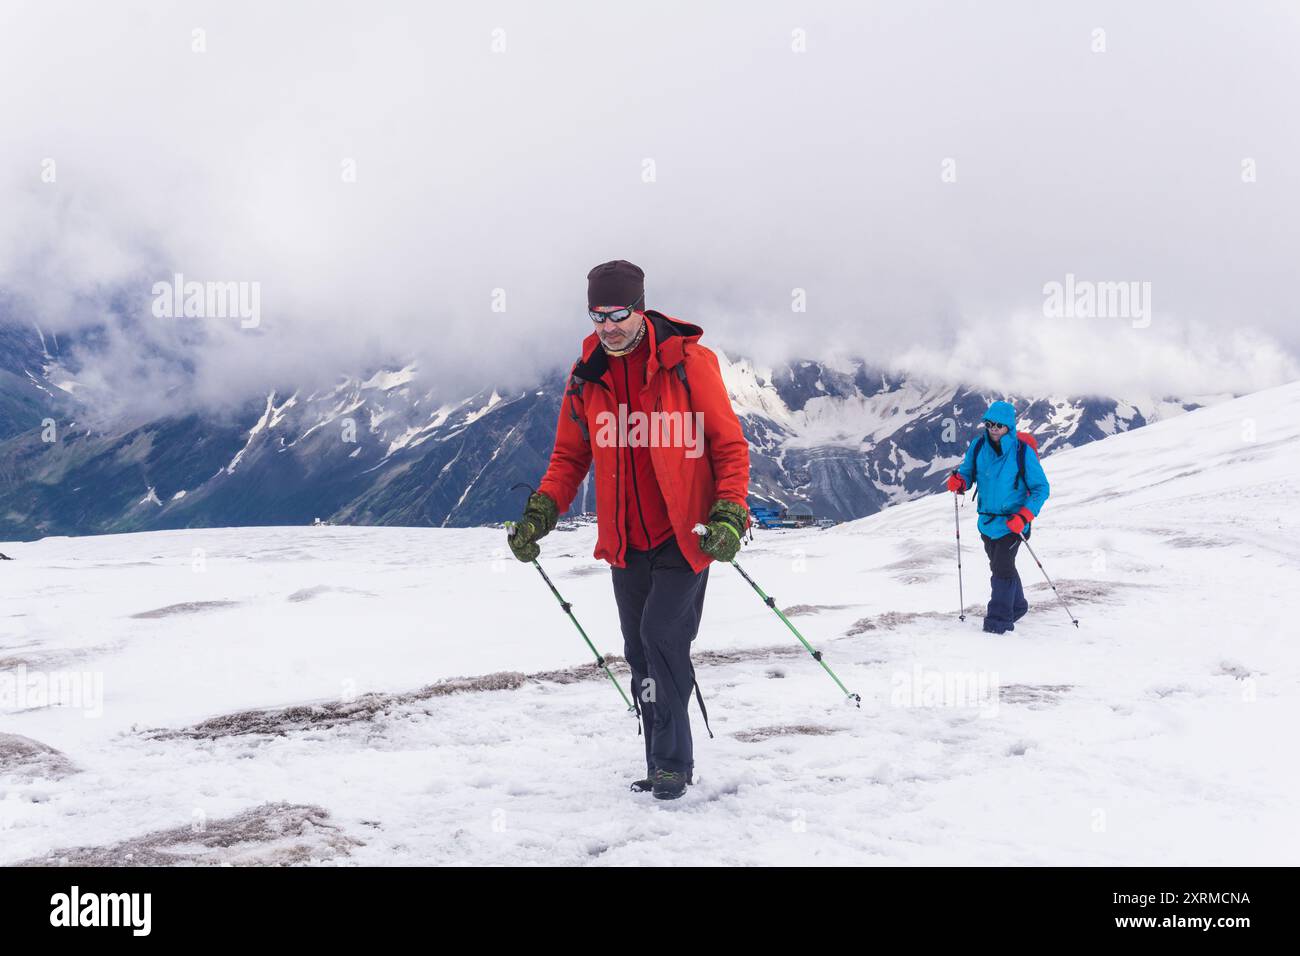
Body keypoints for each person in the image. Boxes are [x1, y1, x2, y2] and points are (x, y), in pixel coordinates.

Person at [507, 260, 751, 800]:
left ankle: (671, 764)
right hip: (624, 542)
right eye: (598, 315)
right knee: (640, 655)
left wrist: (730, 513)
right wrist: (540, 515)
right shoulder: (586, 376)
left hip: (685, 536)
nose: (608, 326)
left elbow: (728, 446)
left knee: (661, 637)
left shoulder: (689, 363)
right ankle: (660, 757)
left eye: (618, 313)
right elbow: (569, 458)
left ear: (639, 308)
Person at [946, 400, 1050, 634]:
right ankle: (1019, 605)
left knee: (1001, 569)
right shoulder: (978, 446)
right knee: (1001, 565)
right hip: (986, 521)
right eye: (989, 423)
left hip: (1014, 523)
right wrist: (960, 481)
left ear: (1009, 427)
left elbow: (1041, 488)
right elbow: (968, 472)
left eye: (999, 425)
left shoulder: (1021, 452)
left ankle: (998, 621)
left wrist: (1024, 517)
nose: (993, 428)